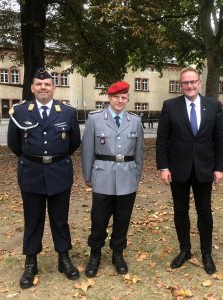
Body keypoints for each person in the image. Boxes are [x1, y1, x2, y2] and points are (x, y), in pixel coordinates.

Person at [7, 67, 81, 289]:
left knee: (60, 220)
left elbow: (74, 142)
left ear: (53, 88)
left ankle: (63, 258)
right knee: (33, 220)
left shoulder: (67, 112)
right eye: (38, 84)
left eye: (47, 84)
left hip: (59, 172)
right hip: (31, 173)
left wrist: (55, 159)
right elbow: (14, 143)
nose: (43, 88)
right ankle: (31, 263)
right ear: (32, 88)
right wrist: (33, 159)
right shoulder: (20, 112)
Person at [156, 66, 223, 275]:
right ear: (181, 85)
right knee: (180, 211)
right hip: (178, 169)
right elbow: (162, 141)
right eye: (185, 83)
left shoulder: (213, 106)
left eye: (192, 82)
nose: (189, 85)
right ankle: (185, 250)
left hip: (205, 168)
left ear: (199, 83)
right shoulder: (170, 106)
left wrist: (220, 167)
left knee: (204, 211)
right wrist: (163, 167)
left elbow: (220, 140)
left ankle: (206, 253)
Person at [81, 81, 144, 277]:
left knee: (122, 218)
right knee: (99, 218)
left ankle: (118, 253)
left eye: (123, 97)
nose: (120, 100)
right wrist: (88, 175)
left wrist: (137, 174)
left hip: (127, 175)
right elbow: (87, 149)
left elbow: (139, 151)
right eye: (116, 97)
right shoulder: (95, 119)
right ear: (109, 98)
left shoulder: (134, 121)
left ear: (127, 99)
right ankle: (95, 254)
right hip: (102, 175)